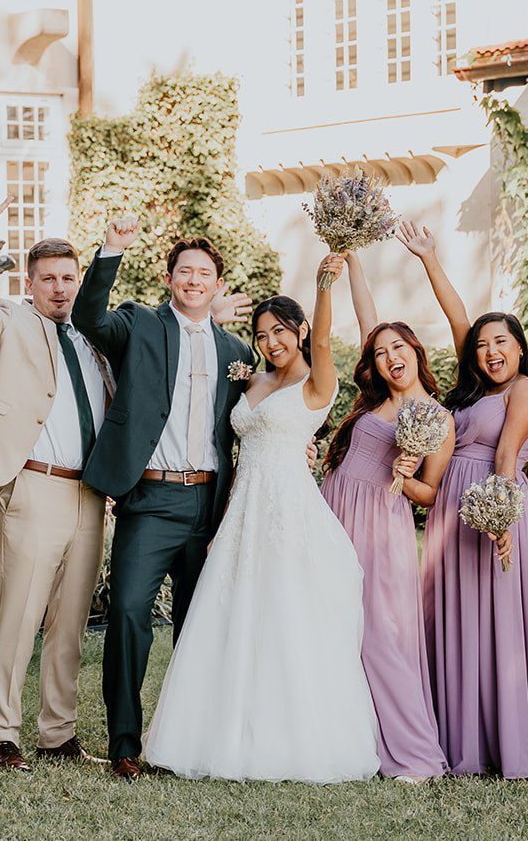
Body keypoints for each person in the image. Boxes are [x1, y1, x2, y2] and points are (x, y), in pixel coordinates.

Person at [144, 257, 381, 782]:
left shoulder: (317, 384)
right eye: (261, 334)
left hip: (287, 512)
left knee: (282, 616)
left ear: (298, 332)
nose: (271, 341)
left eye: (280, 331)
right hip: (241, 514)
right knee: (229, 617)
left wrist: (322, 288)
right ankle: (215, 732)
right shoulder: (253, 380)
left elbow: (321, 342)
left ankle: (284, 738)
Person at [71, 218, 252, 781]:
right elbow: (87, 319)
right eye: (185, 272)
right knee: (127, 612)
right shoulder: (141, 324)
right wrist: (111, 250)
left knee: (202, 626)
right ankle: (125, 742)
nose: (194, 281)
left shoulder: (237, 351)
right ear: (169, 277)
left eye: (205, 274)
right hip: (149, 499)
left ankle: (196, 739)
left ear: (218, 285)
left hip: (209, 506)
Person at [0, 160, 111, 771]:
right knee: (19, 616)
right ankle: (3, 733)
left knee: (71, 619)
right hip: (35, 488)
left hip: (89, 495)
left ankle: (58, 732)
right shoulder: (9, 323)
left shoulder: (93, 338)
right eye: (49, 280)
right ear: (32, 284)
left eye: (69, 278)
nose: (62, 289)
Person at [398, 221, 528, 779]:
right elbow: (457, 318)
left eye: (503, 343)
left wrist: (501, 521)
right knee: (451, 620)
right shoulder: (473, 390)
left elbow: (505, 458)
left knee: (497, 623)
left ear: (521, 349)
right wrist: (428, 258)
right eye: (485, 345)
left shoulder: (526, 391)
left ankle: (505, 744)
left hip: (496, 507)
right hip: (450, 510)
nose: (491, 351)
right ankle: (454, 737)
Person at [320, 274, 450, 783]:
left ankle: (415, 754)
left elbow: (432, 493)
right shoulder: (374, 404)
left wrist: (406, 476)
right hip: (335, 508)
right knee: (335, 626)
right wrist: (354, 259)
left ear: (416, 352)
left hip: (380, 521)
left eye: (399, 347)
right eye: (380, 352)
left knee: (380, 633)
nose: (390, 357)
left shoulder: (437, 415)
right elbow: (366, 312)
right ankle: (342, 737)